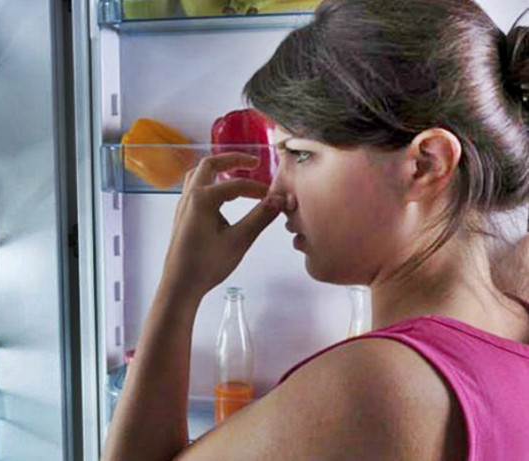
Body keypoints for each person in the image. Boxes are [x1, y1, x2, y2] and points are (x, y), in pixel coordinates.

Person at [101, 0, 529, 459]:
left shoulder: (371, 386)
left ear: (426, 164)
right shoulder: (514, 324)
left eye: (301, 154)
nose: (277, 191)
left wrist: (179, 287)